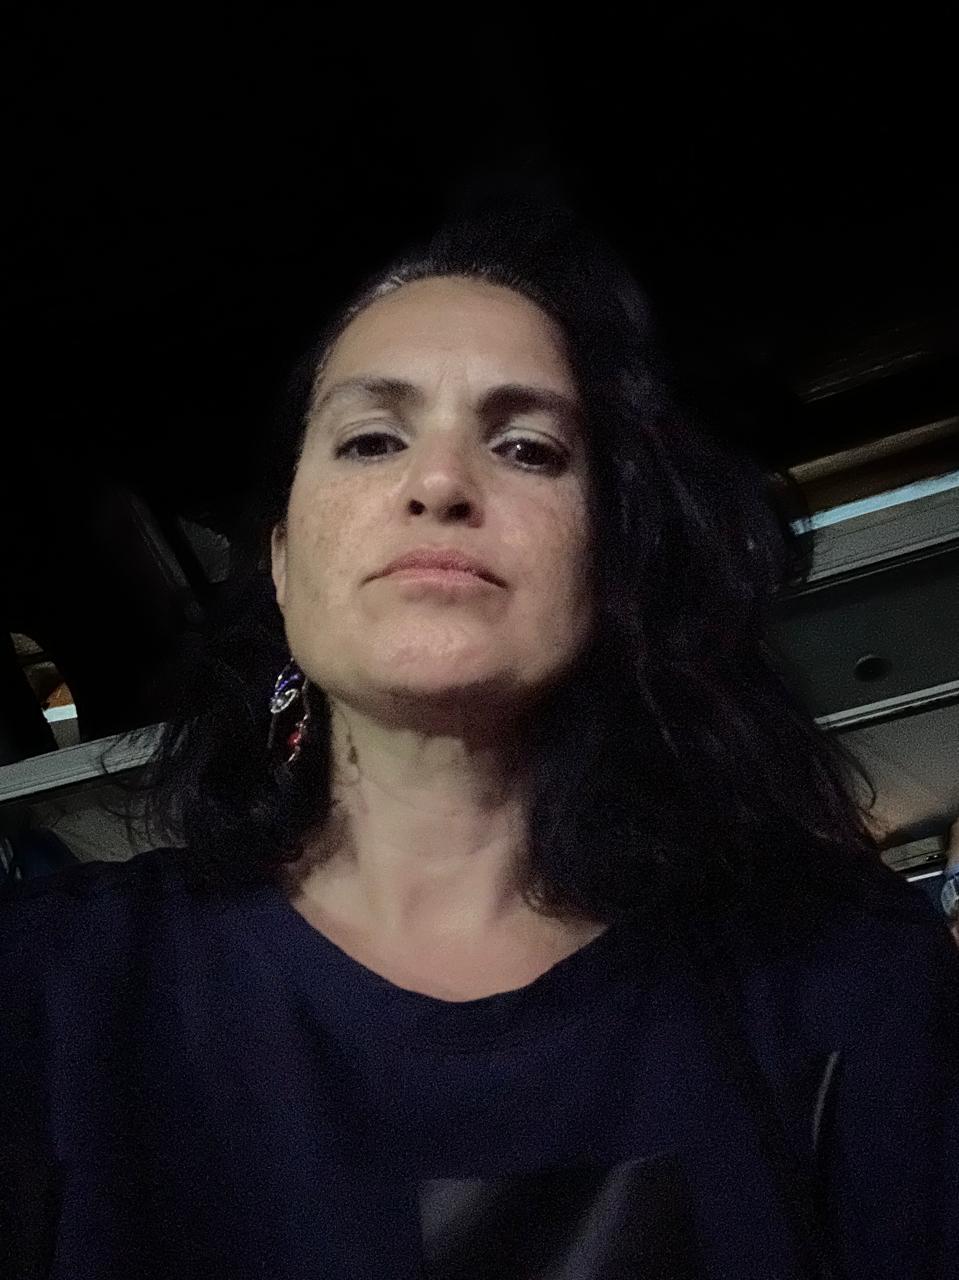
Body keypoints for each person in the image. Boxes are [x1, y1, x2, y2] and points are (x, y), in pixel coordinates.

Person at [2, 203, 957, 1280]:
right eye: (371, 439)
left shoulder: (846, 979)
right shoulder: (47, 990)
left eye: (526, 448)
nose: (441, 483)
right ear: (278, 564)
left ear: (605, 559)